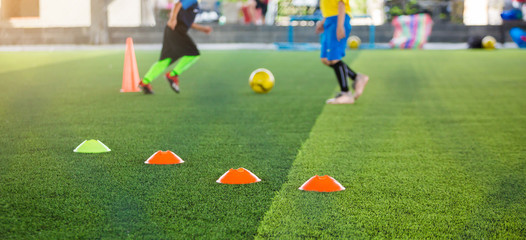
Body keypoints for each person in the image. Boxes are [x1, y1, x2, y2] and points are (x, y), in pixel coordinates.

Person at [139, 0, 212, 94]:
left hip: (172, 30)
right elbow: (177, 5)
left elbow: (188, 22)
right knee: (194, 53)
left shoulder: (196, 4)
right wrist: (173, 19)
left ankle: (145, 82)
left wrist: (203, 29)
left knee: (166, 59)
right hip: (175, 29)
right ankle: (173, 74)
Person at [315, 0, 369, 104]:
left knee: (334, 59)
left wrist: (340, 26)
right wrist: (323, 21)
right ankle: (357, 77)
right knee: (325, 59)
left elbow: (341, 3)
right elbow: (330, 6)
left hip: (338, 19)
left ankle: (346, 94)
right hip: (329, 20)